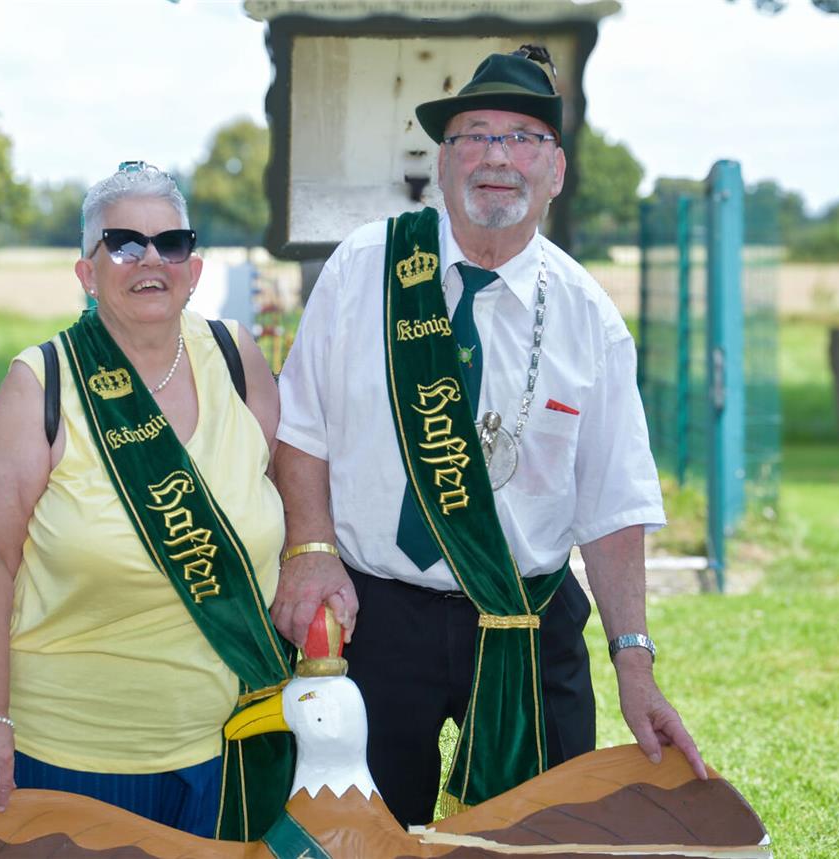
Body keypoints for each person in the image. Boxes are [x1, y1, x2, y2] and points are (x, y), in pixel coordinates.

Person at [270, 47, 708, 828]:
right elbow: (300, 432)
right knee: (359, 836)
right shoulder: (363, 271)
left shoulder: (587, 316)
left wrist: (635, 665)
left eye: (523, 136)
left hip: (525, 622)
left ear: (557, 171)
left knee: (540, 839)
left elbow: (613, 508)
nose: (497, 155)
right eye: (474, 134)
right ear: (442, 163)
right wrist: (310, 548)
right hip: (377, 618)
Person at [0, 161, 292, 839]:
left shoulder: (235, 358)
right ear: (87, 271)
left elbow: (288, 493)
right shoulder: (40, 383)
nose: (150, 260)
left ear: (193, 268)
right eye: (124, 243)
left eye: (171, 243)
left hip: (234, 743)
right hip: (78, 754)